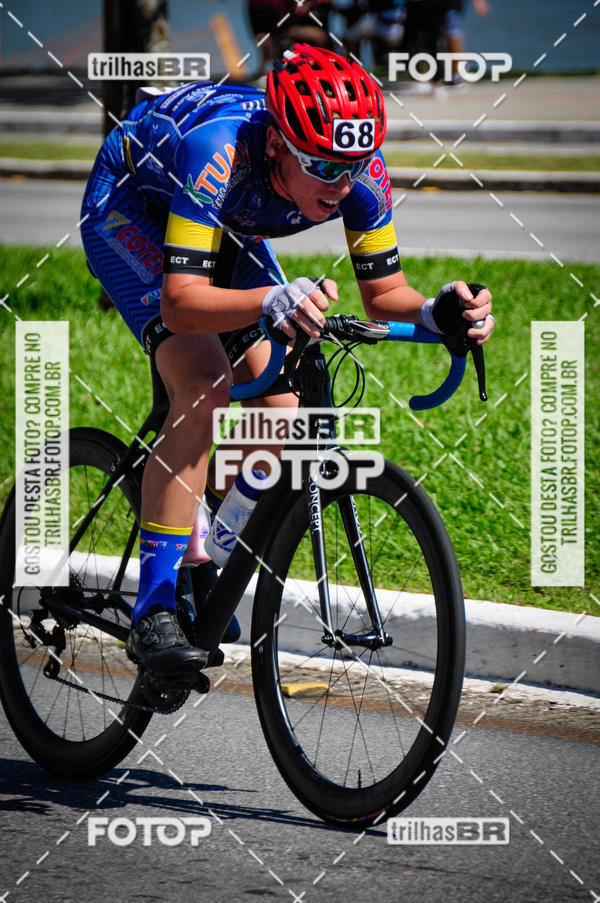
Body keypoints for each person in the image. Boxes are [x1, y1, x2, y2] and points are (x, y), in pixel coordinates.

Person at [80, 44, 493, 677]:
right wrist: (272, 297)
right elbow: (184, 301)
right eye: (324, 166)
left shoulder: (355, 169)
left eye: (354, 165)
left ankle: (193, 528)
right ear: (277, 144)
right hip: (132, 207)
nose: (341, 183)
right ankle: (154, 606)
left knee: (282, 413)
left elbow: (384, 294)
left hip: (224, 225)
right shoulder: (219, 149)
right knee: (204, 382)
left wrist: (441, 311)